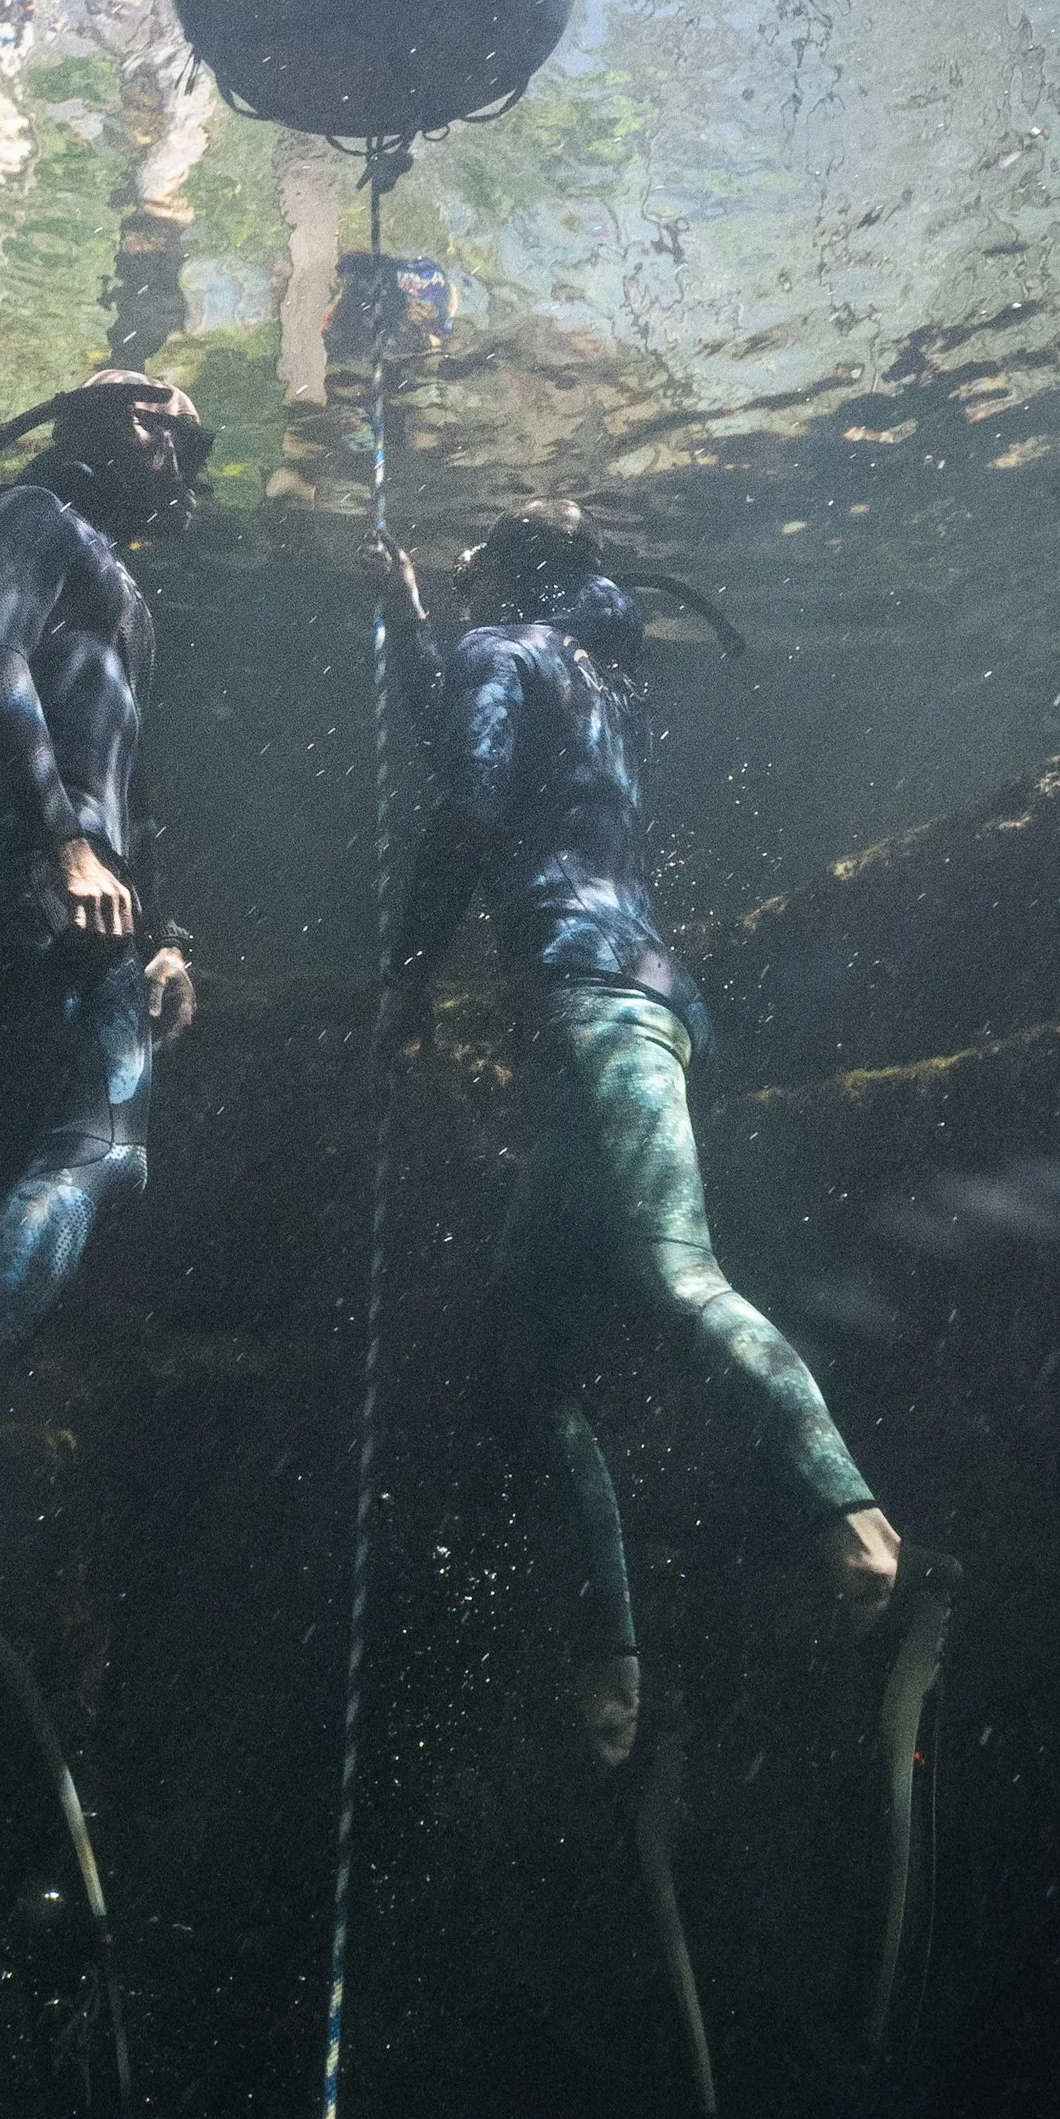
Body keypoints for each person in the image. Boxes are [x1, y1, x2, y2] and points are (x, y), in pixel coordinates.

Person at [368, 498, 901, 1770]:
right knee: (516, 1360)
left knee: (677, 1273)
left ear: (506, 574)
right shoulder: (589, 673)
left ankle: (856, 1521)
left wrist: (403, 974)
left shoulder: (506, 651)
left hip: (590, 1003)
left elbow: (470, 798)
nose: (463, 579)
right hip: (626, 1005)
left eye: (474, 568)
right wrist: (408, 634)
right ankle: (611, 1664)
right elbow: (474, 753)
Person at [0, 369, 208, 1594]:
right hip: (41, 886)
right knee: (99, 1152)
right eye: (157, 424)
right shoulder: (28, 522)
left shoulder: (125, 591)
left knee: (53, 1168)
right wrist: (64, 844)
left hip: (86, 896)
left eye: (184, 435)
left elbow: (135, 779)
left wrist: (168, 935)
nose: (175, 450)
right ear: (93, 425)